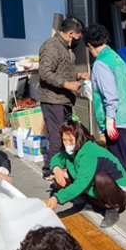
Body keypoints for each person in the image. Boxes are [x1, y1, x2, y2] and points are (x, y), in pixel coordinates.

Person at [46, 120, 126, 228]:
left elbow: (81, 183)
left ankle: (112, 210)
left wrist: (57, 198)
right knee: (65, 174)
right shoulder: (71, 151)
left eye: (70, 140)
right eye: (64, 140)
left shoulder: (89, 152)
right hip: (97, 191)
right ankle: (92, 204)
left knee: (101, 178)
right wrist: (56, 169)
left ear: (79, 138)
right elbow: (57, 158)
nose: (67, 144)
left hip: (120, 193)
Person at [38, 16, 90, 180]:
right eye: (77, 38)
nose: (78, 41)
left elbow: (62, 70)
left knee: (67, 134)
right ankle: (50, 170)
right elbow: (45, 73)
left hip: (64, 100)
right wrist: (67, 84)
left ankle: (61, 166)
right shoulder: (51, 47)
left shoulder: (64, 48)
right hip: (53, 100)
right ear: (70, 33)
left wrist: (78, 75)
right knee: (57, 136)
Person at [83, 24, 126, 173]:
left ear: (89, 45)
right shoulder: (116, 57)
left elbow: (110, 96)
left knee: (117, 167)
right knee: (123, 162)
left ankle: (120, 194)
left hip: (117, 121)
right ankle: (123, 192)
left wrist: (109, 119)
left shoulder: (101, 64)